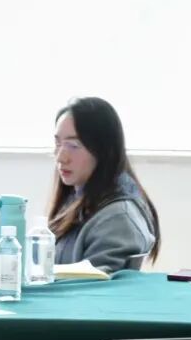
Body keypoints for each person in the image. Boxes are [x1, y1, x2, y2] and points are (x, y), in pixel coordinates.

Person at [50, 96, 160, 273]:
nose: (60, 157)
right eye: (58, 143)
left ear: (103, 149)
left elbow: (96, 286)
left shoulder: (117, 219)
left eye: (74, 145)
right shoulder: (78, 199)